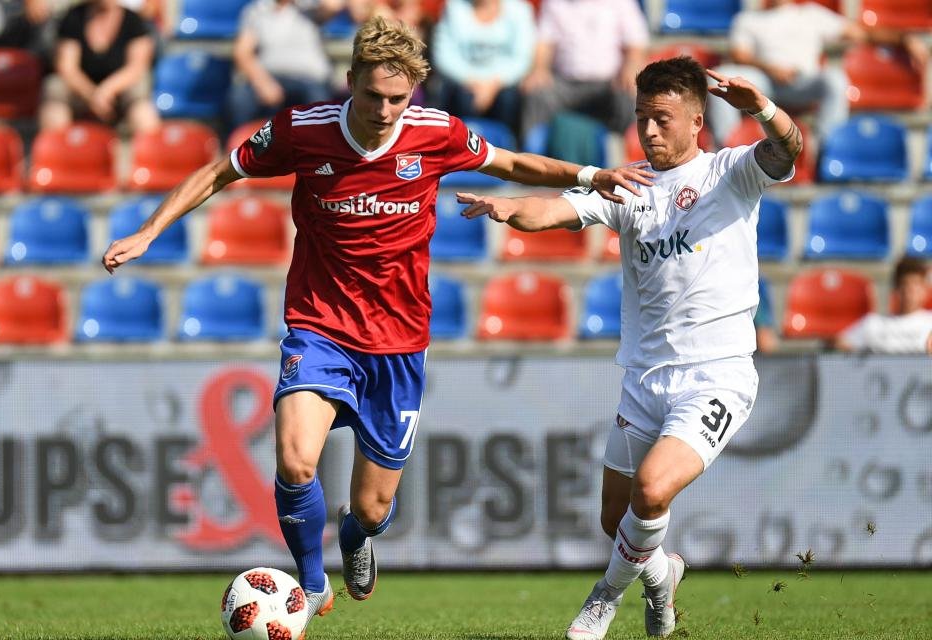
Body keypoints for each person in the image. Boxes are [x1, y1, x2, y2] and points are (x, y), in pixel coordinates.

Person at [102, 16, 651, 635]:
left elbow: (512, 162)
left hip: (398, 344)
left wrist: (590, 175)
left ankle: (356, 534)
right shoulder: (301, 132)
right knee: (294, 457)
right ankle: (311, 584)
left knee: (373, 503)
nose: (386, 109)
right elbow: (218, 171)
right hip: (319, 326)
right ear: (349, 83)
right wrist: (149, 231)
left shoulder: (435, 133)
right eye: (373, 96)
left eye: (398, 98)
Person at [457, 56, 801, 639]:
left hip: (716, 375)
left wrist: (762, 108)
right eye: (641, 118)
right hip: (643, 378)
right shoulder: (628, 185)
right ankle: (663, 575)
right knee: (615, 519)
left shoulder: (731, 171)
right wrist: (515, 209)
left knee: (651, 490)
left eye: (662, 119)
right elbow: (560, 210)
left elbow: (788, 149)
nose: (648, 131)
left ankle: (604, 598)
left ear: (697, 121)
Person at [707, 0, 928, 146]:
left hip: (804, 82)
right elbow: (740, 55)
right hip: (763, 82)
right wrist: (770, 68)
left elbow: (861, 34)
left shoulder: (811, 14)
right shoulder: (748, 19)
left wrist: (903, 39)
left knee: (835, 79)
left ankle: (827, 147)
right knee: (722, 76)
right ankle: (727, 147)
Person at [519, 0, 648, 136]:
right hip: (564, 84)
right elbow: (544, 43)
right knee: (536, 94)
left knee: (630, 96)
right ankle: (528, 153)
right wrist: (539, 69)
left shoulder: (621, 3)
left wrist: (629, 68)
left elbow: (635, 45)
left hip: (608, 84)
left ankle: (630, 152)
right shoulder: (554, 3)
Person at [38, 0, 160, 134]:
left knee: (141, 105)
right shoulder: (74, 17)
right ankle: (57, 150)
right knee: (54, 90)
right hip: (81, 90)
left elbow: (136, 67)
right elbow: (67, 67)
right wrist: (92, 95)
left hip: (118, 91)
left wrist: (106, 91)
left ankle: (152, 150)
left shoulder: (133, 21)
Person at [227, 0, 339, 128]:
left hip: (310, 79)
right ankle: (241, 144)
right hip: (270, 77)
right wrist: (263, 83)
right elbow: (243, 52)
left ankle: (321, 145)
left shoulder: (310, 7)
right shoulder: (257, 10)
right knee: (240, 98)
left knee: (318, 102)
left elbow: (333, 6)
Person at [430, 0, 535, 133]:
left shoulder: (520, 10)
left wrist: (493, 85)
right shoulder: (453, 7)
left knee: (508, 100)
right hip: (462, 85)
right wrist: (472, 82)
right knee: (461, 98)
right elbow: (443, 56)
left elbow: (522, 59)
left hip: (504, 88)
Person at [835, 257, 932, 355]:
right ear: (896, 288)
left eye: (916, 284)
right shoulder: (873, 324)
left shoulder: (929, 323)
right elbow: (839, 345)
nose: (910, 291)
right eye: (905, 284)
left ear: (925, 290)